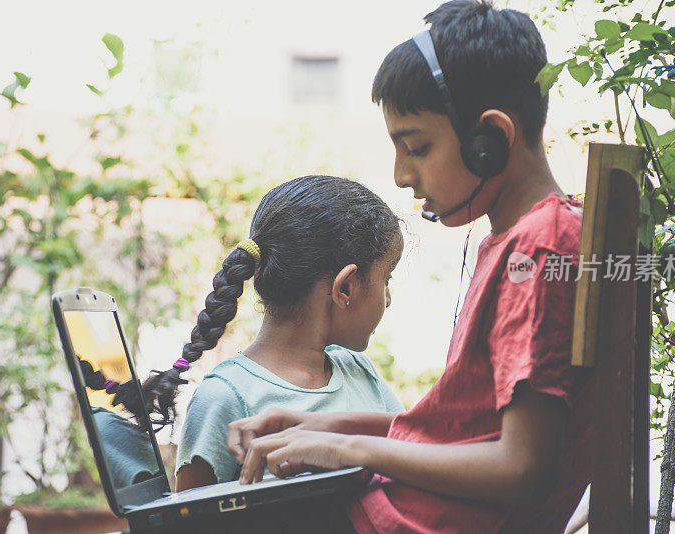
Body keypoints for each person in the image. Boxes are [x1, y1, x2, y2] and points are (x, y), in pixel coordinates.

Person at [225, 1, 594, 532]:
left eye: (417, 147)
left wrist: (351, 448)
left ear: (489, 141)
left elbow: (521, 467)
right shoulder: (524, 239)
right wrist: (327, 426)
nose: (400, 175)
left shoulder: (540, 250)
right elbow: (463, 430)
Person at [140, 175, 405, 490]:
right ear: (345, 287)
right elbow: (188, 519)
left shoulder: (360, 372)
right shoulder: (226, 397)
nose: (388, 300)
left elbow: (419, 450)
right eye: (386, 278)